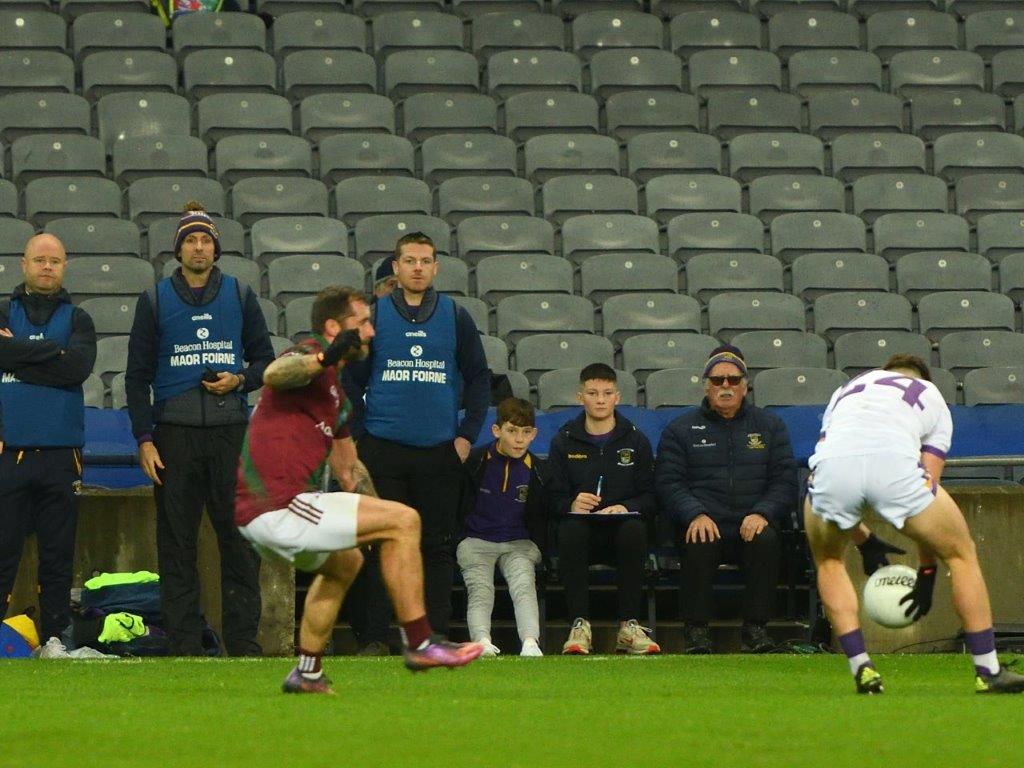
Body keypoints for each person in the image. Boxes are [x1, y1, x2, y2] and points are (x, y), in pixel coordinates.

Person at [234, 286, 483, 693]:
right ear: (335, 327)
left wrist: (379, 525)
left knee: (347, 561)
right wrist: (324, 356)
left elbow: (349, 470)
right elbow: (273, 375)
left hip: (280, 512)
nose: (372, 331)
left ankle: (307, 672)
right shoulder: (307, 354)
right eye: (363, 323)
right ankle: (420, 642)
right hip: (275, 506)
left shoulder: (338, 397)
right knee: (406, 519)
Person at [805, 354, 1024, 694]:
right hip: (893, 462)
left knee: (830, 560)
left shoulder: (848, 390)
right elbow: (927, 485)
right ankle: (987, 670)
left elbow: (839, 463)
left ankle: (862, 667)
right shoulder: (931, 396)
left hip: (833, 468)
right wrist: (926, 570)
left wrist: (864, 540)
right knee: (961, 553)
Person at [125, 201, 275, 656]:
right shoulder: (154, 300)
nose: (198, 247)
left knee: (240, 543)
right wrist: (144, 438)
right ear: (178, 249)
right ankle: (185, 646)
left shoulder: (240, 295)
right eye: (190, 240)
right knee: (176, 545)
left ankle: (244, 644)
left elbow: (266, 360)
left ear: (216, 248)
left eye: (205, 240)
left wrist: (240, 380)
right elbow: (137, 377)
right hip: (174, 436)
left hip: (231, 431)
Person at [347, 232, 491, 637]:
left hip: (439, 452)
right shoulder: (374, 317)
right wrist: (359, 435)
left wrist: (465, 436)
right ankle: (374, 638)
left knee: (436, 547)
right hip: (383, 451)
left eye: (425, 261)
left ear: (435, 267)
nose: (417, 268)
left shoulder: (455, 316)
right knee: (378, 544)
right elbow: (348, 380)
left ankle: (432, 634)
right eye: (409, 260)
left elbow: (479, 378)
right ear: (395, 268)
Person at [655, 346, 797, 654]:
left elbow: (784, 481)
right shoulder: (680, 429)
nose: (726, 387)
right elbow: (668, 482)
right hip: (705, 519)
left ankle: (756, 630)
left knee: (767, 539)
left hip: (751, 521)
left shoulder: (770, 427)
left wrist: (763, 513)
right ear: (705, 385)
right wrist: (694, 513)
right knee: (698, 538)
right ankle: (696, 631)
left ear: (745, 385)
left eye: (733, 380)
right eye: (718, 380)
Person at [0, 234, 96, 642]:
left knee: (58, 557)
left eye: (54, 261)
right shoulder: (3, 310)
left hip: (62, 456)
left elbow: (75, 370)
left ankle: (56, 638)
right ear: (23, 264)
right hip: (11, 453)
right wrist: (50, 355)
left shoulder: (79, 319)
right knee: (3, 554)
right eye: (39, 259)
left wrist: (17, 358)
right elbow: (61, 364)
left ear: (65, 265)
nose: (46, 267)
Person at [547, 363, 660, 655]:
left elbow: (652, 496)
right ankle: (580, 626)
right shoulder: (564, 440)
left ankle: (629, 626)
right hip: (581, 533)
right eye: (593, 393)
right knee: (570, 528)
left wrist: (626, 506)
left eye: (607, 393)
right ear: (579, 397)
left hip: (621, 532)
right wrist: (571, 504)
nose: (600, 399)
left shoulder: (636, 440)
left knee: (635, 529)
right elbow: (551, 498)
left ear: (617, 397)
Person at [338, 259, 399, 656]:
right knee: (368, 543)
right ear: (375, 291)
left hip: (416, 448)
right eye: (389, 284)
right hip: (368, 448)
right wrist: (357, 439)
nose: (396, 291)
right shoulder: (364, 339)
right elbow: (347, 390)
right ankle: (370, 633)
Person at [457, 397, 547, 657]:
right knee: (480, 588)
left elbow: (543, 513)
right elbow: (457, 501)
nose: (519, 439)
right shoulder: (475, 462)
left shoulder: (539, 470)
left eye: (526, 432)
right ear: (496, 431)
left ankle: (530, 641)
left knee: (523, 584)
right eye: (512, 431)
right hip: (476, 540)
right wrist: (458, 538)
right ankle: (482, 640)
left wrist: (538, 544)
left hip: (518, 542)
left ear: (534, 434)